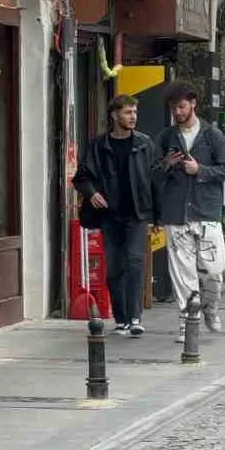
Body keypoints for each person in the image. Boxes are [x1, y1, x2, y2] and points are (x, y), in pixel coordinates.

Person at [152, 82, 225, 343]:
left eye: (181, 106)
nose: (177, 112)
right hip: (175, 214)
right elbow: (152, 175)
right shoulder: (166, 137)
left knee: (213, 271)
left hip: (207, 211)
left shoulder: (212, 135)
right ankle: (187, 322)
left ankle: (210, 307)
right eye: (173, 108)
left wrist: (199, 170)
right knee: (182, 274)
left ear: (193, 104)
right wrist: (166, 164)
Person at [72, 94, 156, 336]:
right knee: (116, 268)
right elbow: (82, 175)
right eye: (128, 113)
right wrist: (92, 193)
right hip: (110, 215)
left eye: (135, 113)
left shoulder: (144, 144)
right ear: (114, 115)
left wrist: (157, 216)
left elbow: (154, 179)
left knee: (135, 263)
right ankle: (121, 318)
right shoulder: (99, 145)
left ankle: (135, 317)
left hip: (136, 214)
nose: (133, 117)